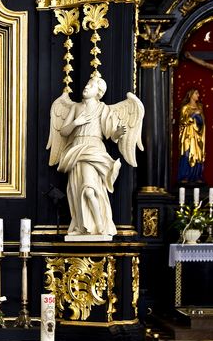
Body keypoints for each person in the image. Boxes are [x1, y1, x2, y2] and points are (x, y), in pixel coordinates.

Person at [47, 77, 144, 237]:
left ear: (99, 92)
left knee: (89, 190)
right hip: (76, 149)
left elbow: (111, 135)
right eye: (87, 84)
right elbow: (63, 132)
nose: (86, 87)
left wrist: (118, 133)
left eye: (91, 86)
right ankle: (82, 226)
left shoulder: (103, 109)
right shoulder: (76, 107)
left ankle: (100, 226)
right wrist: (76, 122)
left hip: (93, 148)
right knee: (77, 190)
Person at [177, 88, 205, 182]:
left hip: (197, 135)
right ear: (191, 95)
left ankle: (196, 176)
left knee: (197, 154)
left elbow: (203, 122)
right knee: (187, 153)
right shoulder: (185, 108)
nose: (198, 95)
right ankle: (185, 176)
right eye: (196, 93)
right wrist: (193, 115)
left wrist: (199, 120)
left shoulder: (200, 107)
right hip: (188, 135)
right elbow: (182, 122)